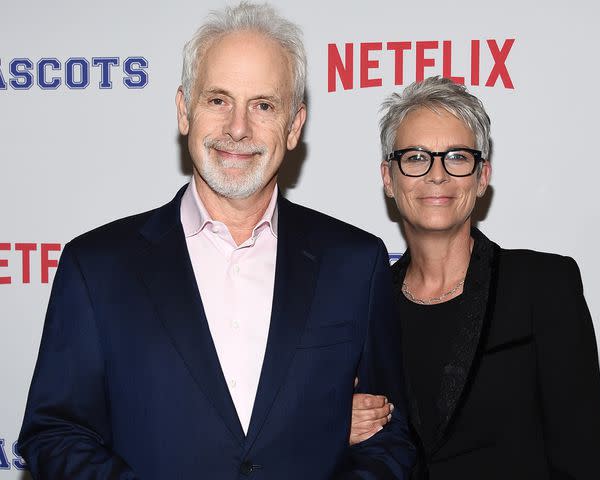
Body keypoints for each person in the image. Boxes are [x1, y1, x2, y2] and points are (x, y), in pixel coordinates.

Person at [17, 3, 415, 479]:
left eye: (263, 105)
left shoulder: (355, 263)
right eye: (218, 100)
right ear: (185, 110)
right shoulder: (96, 267)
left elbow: (391, 443)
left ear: (294, 126)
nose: (238, 128)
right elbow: (55, 433)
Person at [349, 76, 600, 479]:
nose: (437, 175)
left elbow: (582, 461)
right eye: (416, 157)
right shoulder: (364, 306)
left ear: (482, 175)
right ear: (389, 177)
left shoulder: (544, 288)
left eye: (456, 156)